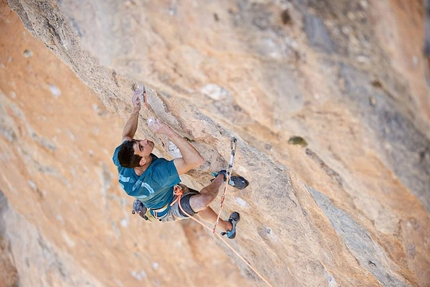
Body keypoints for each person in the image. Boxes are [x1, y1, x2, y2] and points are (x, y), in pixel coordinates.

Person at [112, 86, 247, 238]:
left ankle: (229, 228)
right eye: (142, 147)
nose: (144, 140)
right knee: (201, 202)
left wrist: (135, 109)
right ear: (142, 161)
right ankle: (223, 177)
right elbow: (195, 160)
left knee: (197, 205)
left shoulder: (122, 157)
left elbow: (127, 136)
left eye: (138, 141)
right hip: (166, 208)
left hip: (151, 193)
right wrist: (168, 131)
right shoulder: (158, 175)